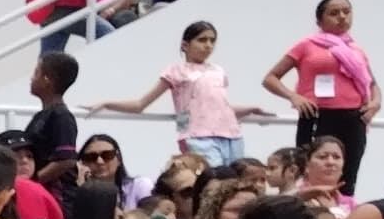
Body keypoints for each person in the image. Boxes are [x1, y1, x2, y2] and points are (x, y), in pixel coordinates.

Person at [92, 20, 268, 167]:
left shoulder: (218, 70)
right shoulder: (176, 71)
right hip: (198, 136)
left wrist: (251, 109)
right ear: (185, 45)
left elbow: (219, 107)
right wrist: (107, 104)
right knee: (212, 180)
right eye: (202, 40)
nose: (208, 45)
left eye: (212, 40)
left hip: (232, 134)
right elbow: (141, 104)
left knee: (235, 181)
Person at [260, 0, 381, 193]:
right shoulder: (306, 45)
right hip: (317, 114)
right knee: (311, 168)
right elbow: (270, 78)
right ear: (320, 20)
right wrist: (294, 96)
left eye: (346, 12)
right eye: (334, 13)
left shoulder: (355, 49)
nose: (342, 17)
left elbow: (372, 84)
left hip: (353, 117)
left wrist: (375, 103)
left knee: (348, 173)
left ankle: (342, 208)